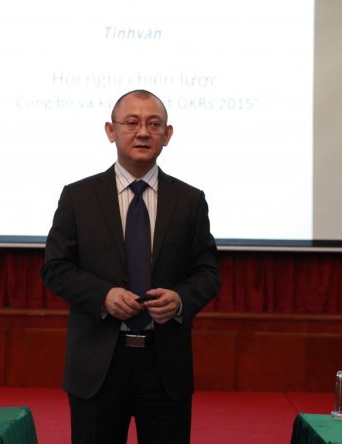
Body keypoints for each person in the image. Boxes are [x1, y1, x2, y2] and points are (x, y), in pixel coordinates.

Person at [41, 89, 220, 444]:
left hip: (164, 365)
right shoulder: (79, 197)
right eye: (132, 123)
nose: (143, 133)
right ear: (111, 131)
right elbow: (55, 267)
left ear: (168, 134)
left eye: (154, 124)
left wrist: (180, 300)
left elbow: (208, 272)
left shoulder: (189, 200)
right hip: (98, 365)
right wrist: (103, 296)